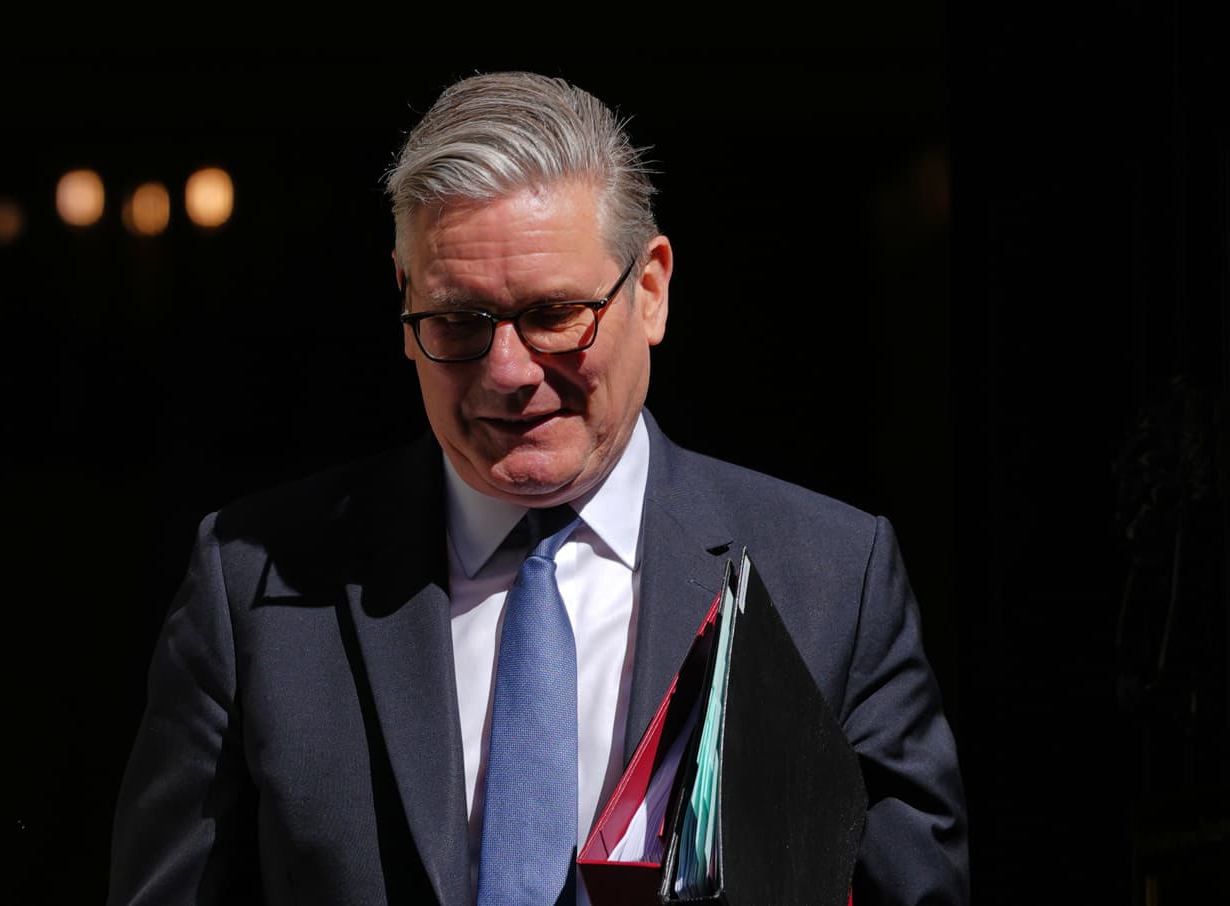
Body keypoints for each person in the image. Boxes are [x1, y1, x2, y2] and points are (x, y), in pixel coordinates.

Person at [106, 70, 968, 905]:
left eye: (554, 314)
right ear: (404, 305)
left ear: (654, 291)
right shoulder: (254, 581)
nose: (509, 371)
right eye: (457, 320)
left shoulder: (831, 576)